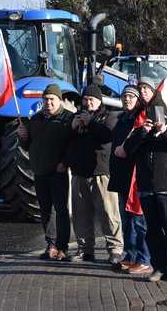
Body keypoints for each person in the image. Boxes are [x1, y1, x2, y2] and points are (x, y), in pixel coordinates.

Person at [122, 77, 167, 283]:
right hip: (145, 188)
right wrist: (142, 133)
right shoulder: (140, 130)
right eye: (151, 113)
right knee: (151, 231)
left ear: (165, 113)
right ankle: (160, 267)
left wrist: (164, 132)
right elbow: (127, 150)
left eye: (158, 112)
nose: (155, 116)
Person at [65, 84, 124, 264]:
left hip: (101, 172)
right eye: (85, 99)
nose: (88, 103)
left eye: (91, 100)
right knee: (81, 215)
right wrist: (72, 128)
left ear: (99, 101)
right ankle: (85, 249)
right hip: (79, 173)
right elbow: (66, 141)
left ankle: (115, 249)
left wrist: (90, 123)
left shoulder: (109, 117)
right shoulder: (76, 117)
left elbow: (107, 136)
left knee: (108, 213)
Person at [17, 83, 74, 261]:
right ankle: (51, 244)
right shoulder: (36, 120)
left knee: (61, 210)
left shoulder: (68, 119)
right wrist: (23, 138)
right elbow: (29, 146)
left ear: (59, 100)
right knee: (46, 210)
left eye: (52, 99)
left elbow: (73, 145)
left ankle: (63, 247)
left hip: (58, 171)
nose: (48, 103)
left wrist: (65, 162)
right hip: (40, 171)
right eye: (45, 99)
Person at [108, 84, 152, 275]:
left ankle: (144, 259)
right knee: (126, 221)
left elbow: (139, 142)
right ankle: (130, 255)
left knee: (139, 222)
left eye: (131, 97)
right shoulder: (121, 119)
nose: (127, 99)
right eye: (125, 96)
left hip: (135, 177)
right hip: (121, 177)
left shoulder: (140, 119)